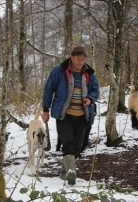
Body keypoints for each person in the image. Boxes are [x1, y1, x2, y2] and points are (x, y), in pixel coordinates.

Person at [41, 45, 99, 185]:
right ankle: (71, 172)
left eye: (83, 59)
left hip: (83, 115)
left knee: (79, 146)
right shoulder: (59, 71)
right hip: (64, 114)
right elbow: (49, 90)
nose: (81, 62)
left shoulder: (89, 73)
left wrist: (90, 99)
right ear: (71, 57)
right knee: (68, 142)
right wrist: (45, 109)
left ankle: (63, 171)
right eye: (78, 59)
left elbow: (95, 90)